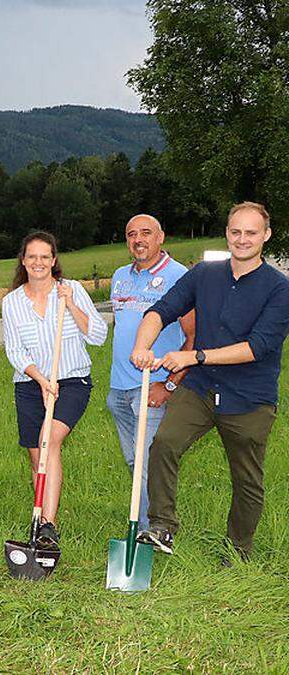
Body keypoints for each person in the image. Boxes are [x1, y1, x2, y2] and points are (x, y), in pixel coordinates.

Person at [132, 202, 289, 563]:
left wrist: (195, 356)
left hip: (249, 398)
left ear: (265, 236)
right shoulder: (204, 274)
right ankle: (162, 526)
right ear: (227, 233)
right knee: (165, 444)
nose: (242, 239)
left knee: (247, 481)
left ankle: (237, 552)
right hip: (201, 389)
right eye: (236, 232)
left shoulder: (279, 289)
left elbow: (258, 347)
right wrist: (143, 344)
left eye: (251, 233)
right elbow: (162, 310)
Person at [1, 231, 108, 547]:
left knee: (48, 443)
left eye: (44, 256)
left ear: (53, 260)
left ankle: (48, 526)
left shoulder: (71, 290)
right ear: (24, 260)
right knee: (37, 458)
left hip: (72, 381)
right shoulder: (11, 302)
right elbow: (15, 352)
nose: (38, 262)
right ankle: (39, 518)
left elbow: (98, 335)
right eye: (32, 256)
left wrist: (72, 305)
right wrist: (41, 379)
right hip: (31, 384)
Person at [106, 215, 194, 531]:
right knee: (134, 463)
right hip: (119, 388)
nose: (138, 239)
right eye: (132, 234)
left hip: (152, 387)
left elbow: (193, 335)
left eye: (146, 233)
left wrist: (169, 385)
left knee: (147, 464)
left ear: (161, 237)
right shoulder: (120, 277)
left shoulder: (179, 276)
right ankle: (147, 520)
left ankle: (149, 530)